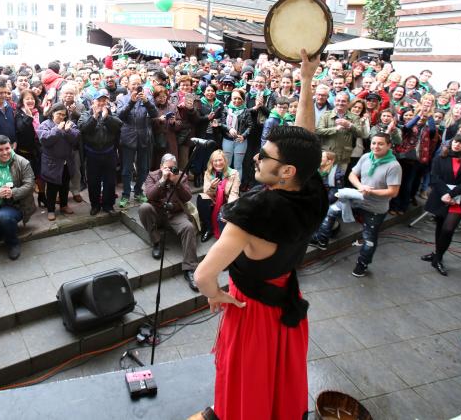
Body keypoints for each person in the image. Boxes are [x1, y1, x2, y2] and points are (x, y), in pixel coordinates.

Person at [193, 50, 329, 420]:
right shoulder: (311, 189)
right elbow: (306, 141)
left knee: (247, 377)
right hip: (285, 300)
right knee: (276, 378)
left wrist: (216, 296)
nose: (256, 158)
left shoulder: (252, 215)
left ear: (285, 171)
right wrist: (305, 82)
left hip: (251, 311)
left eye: (264, 157)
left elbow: (203, 274)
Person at [313, 132, 402, 274]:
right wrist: (361, 187)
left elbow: (393, 192)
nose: (376, 146)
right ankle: (322, 240)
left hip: (375, 208)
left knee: (369, 238)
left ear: (389, 145)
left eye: (380, 144)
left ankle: (362, 265)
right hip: (357, 198)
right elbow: (352, 175)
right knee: (332, 211)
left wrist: (370, 192)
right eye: (373, 143)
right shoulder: (366, 157)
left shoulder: (394, 166)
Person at [421, 134, 461, 276]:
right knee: (440, 226)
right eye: (455, 141)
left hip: (459, 198)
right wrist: (445, 194)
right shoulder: (440, 157)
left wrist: (452, 194)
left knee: (448, 229)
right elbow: (435, 177)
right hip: (441, 197)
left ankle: (439, 258)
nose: (456, 145)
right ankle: (437, 254)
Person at [139, 153, 199, 291]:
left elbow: (188, 197)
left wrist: (176, 182)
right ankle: (156, 242)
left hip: (175, 213)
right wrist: (162, 180)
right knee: (144, 208)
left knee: (188, 227)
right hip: (158, 212)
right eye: (167, 168)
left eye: (173, 167)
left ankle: (190, 269)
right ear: (161, 166)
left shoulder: (181, 176)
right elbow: (149, 195)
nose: (171, 170)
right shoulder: (152, 175)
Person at [0, 135, 36, 260]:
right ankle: (4, 227)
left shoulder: (22, 162)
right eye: (0, 150)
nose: (5, 152)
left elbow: (30, 185)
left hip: (16, 205)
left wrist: (13, 193)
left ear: (12, 147)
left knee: (4, 217)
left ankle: (13, 243)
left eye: (7, 148)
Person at [78, 90, 122, 215]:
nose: (102, 103)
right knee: (93, 182)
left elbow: (119, 125)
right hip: (92, 154)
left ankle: (108, 205)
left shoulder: (111, 114)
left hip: (109, 153)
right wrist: (94, 117)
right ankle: (95, 205)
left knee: (110, 181)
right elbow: (83, 129)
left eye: (104, 100)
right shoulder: (86, 114)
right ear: (93, 102)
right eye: (99, 100)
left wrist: (106, 117)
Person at [117, 75, 158, 207]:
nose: (136, 86)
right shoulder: (123, 99)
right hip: (128, 137)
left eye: (138, 84)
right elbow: (120, 116)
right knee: (127, 169)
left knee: (144, 168)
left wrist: (146, 101)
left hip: (144, 137)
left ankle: (139, 191)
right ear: (128, 85)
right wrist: (131, 102)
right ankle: (126, 194)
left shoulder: (147, 98)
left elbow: (155, 114)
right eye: (133, 84)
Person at [37, 103, 80, 221]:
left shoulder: (69, 124)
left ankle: (64, 205)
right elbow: (45, 140)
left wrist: (68, 131)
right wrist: (57, 129)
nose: (61, 117)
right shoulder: (45, 125)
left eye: (64, 115)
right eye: (59, 114)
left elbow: (76, 138)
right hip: (52, 162)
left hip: (67, 161)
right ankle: (50, 210)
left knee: (65, 185)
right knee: (52, 187)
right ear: (52, 114)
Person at [316, 92, 369, 170]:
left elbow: (360, 133)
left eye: (343, 101)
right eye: (338, 100)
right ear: (334, 102)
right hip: (327, 154)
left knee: (339, 179)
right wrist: (335, 129)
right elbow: (318, 131)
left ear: (348, 103)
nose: (340, 103)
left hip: (344, 155)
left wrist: (349, 125)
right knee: (324, 179)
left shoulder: (354, 117)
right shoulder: (326, 115)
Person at [196, 149, 240, 242]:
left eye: (220, 160)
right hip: (214, 201)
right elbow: (206, 192)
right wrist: (212, 187)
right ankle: (208, 228)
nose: (218, 163)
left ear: (225, 160)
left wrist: (228, 210)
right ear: (212, 163)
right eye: (215, 161)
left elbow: (234, 194)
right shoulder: (208, 173)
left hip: (226, 201)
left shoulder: (234, 173)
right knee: (201, 198)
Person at [14, 89, 45, 208]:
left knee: (41, 175)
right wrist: (28, 116)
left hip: (39, 150)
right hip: (25, 151)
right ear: (22, 101)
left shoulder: (40, 112)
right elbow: (21, 129)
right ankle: (29, 203)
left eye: (32, 98)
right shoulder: (19, 114)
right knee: (27, 179)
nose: (30, 101)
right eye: (27, 99)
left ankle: (42, 196)